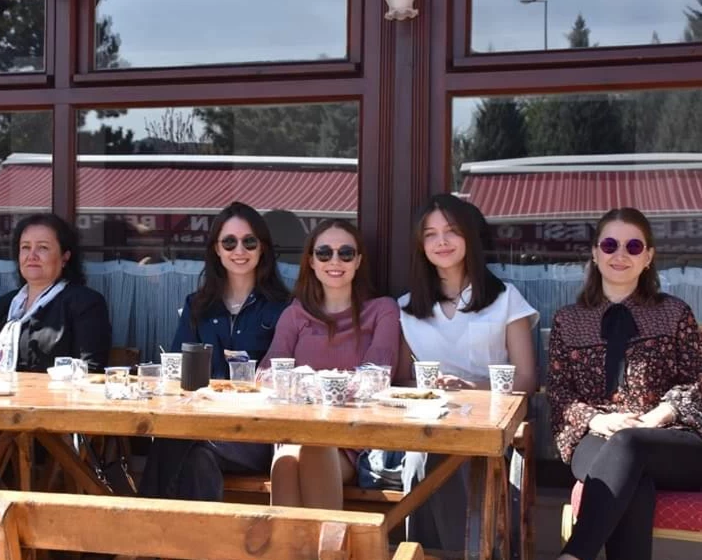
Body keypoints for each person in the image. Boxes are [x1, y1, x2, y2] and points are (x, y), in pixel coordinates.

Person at [550, 208, 702, 560]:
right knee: (634, 482)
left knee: (631, 443)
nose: (620, 254)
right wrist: (597, 420)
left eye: (634, 246)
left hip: (670, 440)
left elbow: (697, 381)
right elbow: (559, 393)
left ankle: (573, 555)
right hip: (596, 438)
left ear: (648, 257)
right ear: (594, 252)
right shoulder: (568, 321)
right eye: (609, 244)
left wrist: (660, 415)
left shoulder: (675, 313)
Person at [390, 194, 537, 551]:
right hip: (427, 426)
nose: (441, 241)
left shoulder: (506, 299)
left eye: (451, 231)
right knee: (426, 452)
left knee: (445, 452)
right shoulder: (407, 308)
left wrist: (471, 387)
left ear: (469, 237)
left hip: (490, 427)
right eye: (430, 234)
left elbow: (527, 380)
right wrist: (434, 388)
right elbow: (401, 381)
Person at [139, 202, 290, 501]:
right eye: (229, 242)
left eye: (249, 242)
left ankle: (149, 539)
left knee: (183, 445)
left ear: (262, 249)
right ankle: (188, 544)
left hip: (257, 431)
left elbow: (283, 379)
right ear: (216, 250)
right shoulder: (197, 305)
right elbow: (178, 372)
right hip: (203, 423)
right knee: (191, 452)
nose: (239, 250)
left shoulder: (283, 307)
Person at [263, 219, 400, 509]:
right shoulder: (295, 314)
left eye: (345, 253)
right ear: (311, 261)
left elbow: (376, 379)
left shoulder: (382, 310)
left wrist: (304, 382)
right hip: (294, 432)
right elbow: (266, 375)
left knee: (312, 449)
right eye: (324, 253)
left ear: (358, 261)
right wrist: (331, 383)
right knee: (286, 459)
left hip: (352, 441)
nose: (334, 261)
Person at [0, 213, 111, 373]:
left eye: (43, 247)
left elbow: (91, 369)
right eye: (25, 247)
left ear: (65, 257)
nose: (32, 256)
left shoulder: (85, 303)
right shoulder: (4, 305)